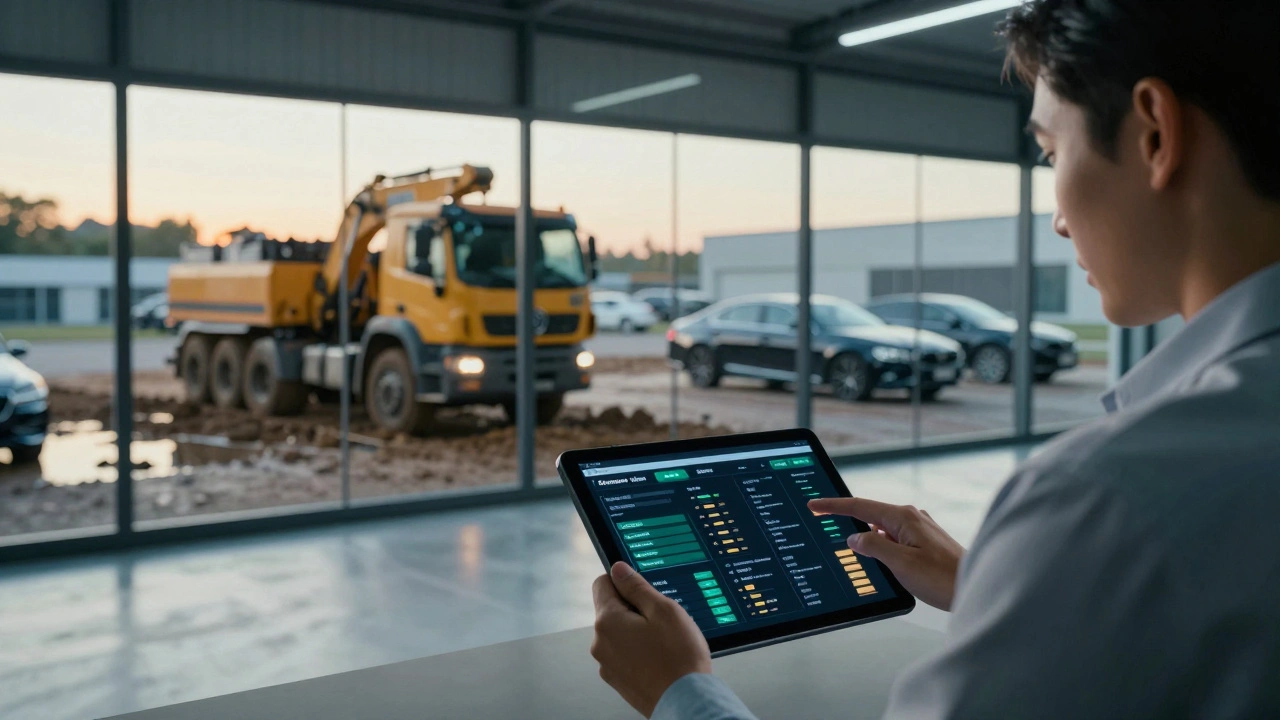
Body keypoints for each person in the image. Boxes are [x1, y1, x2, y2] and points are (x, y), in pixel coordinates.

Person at [588, 0, 1280, 716]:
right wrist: (999, 583)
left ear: (1155, 134)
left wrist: (680, 690)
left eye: (1051, 152)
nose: (1060, 218)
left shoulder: (1106, 498)